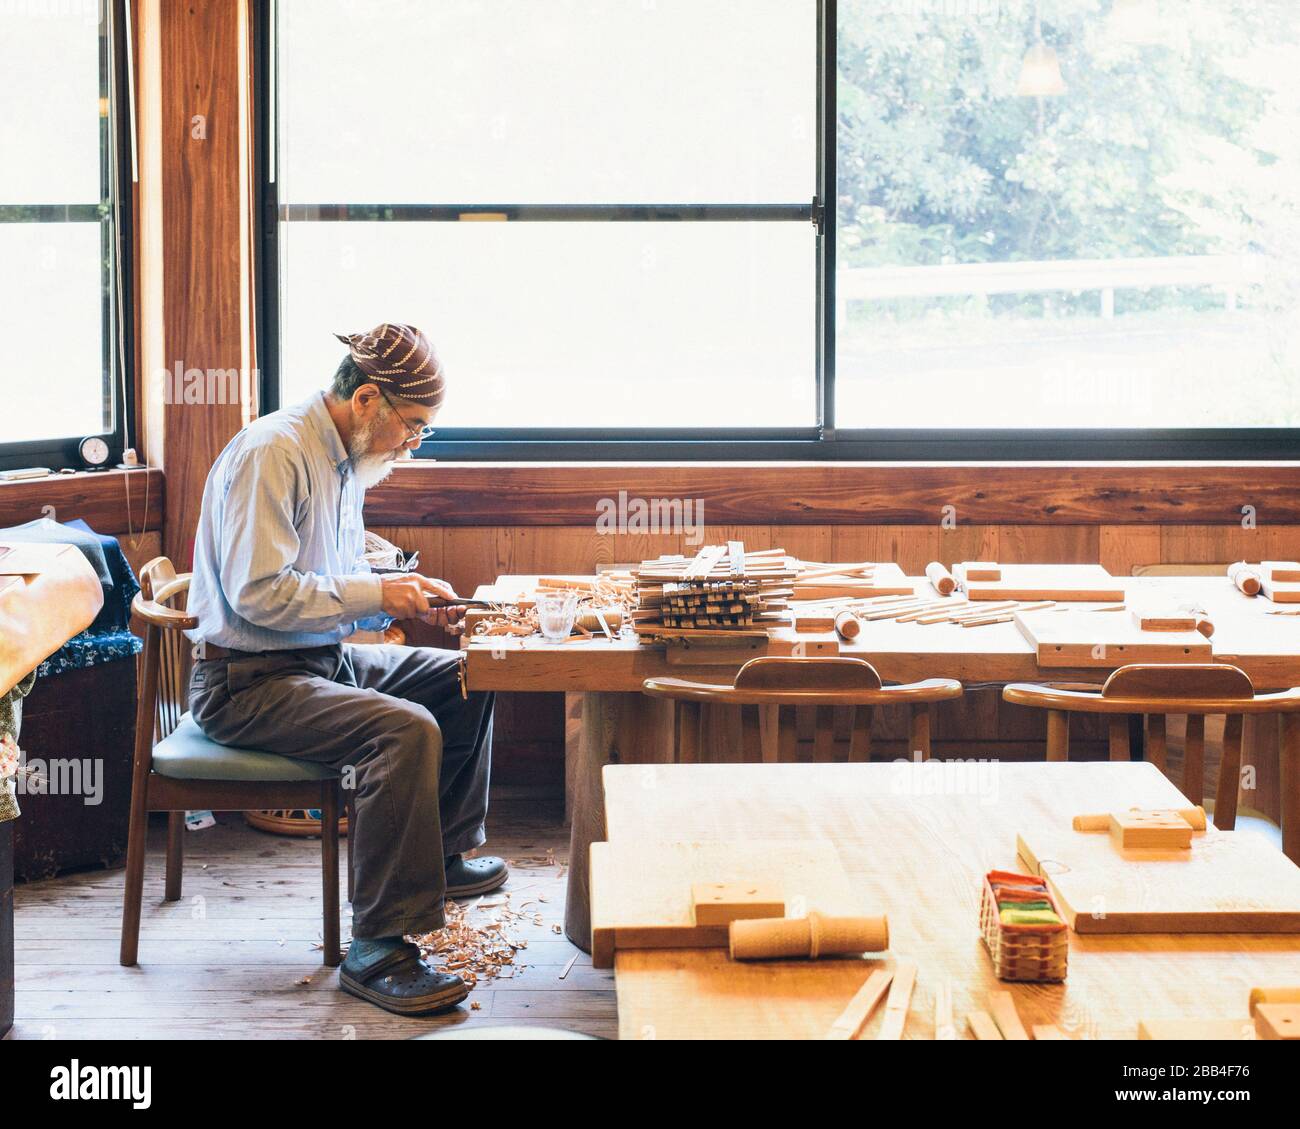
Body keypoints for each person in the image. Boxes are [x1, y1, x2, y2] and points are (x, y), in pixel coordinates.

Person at [185, 323, 502, 1016]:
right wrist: (377, 596)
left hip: (314, 660)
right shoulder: (275, 451)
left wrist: (414, 598)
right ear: (366, 400)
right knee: (404, 731)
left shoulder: (342, 461)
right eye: (413, 427)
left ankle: (439, 859)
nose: (415, 444)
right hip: (246, 682)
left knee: (466, 676)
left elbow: (338, 579)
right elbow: (259, 594)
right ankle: (379, 946)